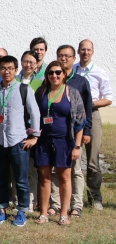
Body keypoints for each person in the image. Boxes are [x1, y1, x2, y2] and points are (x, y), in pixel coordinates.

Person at [0, 55, 41, 227]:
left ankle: (22, 211)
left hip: (18, 141)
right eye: (3, 68)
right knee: (0, 178)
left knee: (21, 178)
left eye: (10, 68)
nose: (6, 71)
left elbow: (35, 113)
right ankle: (1, 210)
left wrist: (35, 136)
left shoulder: (24, 89)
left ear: (16, 70)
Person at [33, 61, 85, 225]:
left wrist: (76, 146)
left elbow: (80, 122)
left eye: (57, 72)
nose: (54, 76)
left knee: (64, 178)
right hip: (44, 141)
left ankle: (64, 214)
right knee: (44, 178)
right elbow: (33, 115)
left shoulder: (72, 93)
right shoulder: (41, 92)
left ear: (64, 75)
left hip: (64, 141)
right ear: (47, 76)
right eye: (50, 73)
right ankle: (43, 213)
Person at [48, 44, 92, 219]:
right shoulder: (52, 79)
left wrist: (86, 132)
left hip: (74, 135)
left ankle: (76, 205)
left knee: (75, 170)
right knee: (56, 170)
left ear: (74, 59)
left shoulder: (80, 82)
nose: (63, 58)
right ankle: (56, 204)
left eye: (67, 56)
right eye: (60, 55)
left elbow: (86, 111)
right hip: (55, 135)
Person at [73, 39, 113, 210]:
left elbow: (109, 98)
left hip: (92, 115)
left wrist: (91, 104)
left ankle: (95, 196)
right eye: (82, 49)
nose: (85, 52)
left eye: (88, 50)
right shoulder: (72, 70)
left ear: (93, 52)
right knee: (74, 158)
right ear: (78, 51)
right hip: (73, 116)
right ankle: (75, 198)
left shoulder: (99, 72)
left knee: (92, 160)